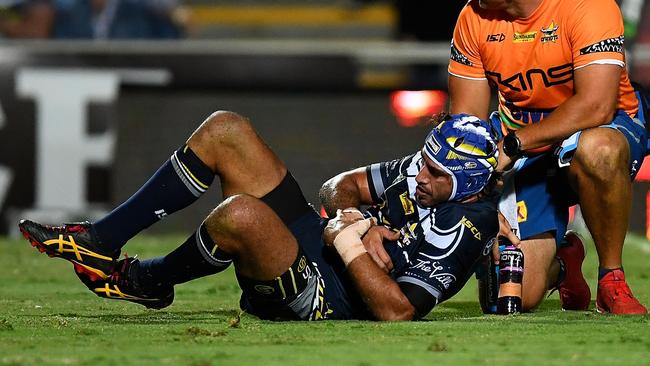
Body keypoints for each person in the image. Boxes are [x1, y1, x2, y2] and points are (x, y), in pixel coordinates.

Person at [19, 111, 499, 321]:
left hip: (333, 298)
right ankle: (101, 240)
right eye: (423, 163)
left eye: (434, 175)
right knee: (226, 131)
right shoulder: (424, 167)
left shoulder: (465, 226)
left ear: (466, 183)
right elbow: (336, 187)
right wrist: (355, 216)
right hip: (324, 242)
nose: (419, 177)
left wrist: (345, 238)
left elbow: (396, 311)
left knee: (242, 216)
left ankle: (148, 279)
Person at [448, 0, 649, 314]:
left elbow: (598, 106)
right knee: (511, 297)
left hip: (601, 126)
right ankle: (564, 264)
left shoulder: (588, 5)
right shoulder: (473, 16)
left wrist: (513, 145)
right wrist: (479, 198)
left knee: (598, 149)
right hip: (524, 147)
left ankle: (612, 278)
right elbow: (466, 124)